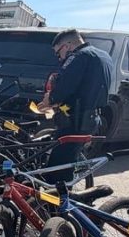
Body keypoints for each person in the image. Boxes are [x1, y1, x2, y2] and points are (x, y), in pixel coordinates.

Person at [37, 28, 114, 182]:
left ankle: (58, 202)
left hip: (75, 119)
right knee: (69, 159)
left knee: (57, 168)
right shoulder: (104, 56)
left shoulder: (79, 57)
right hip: (92, 118)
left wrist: (48, 99)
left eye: (58, 53)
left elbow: (64, 88)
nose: (60, 58)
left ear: (67, 46)